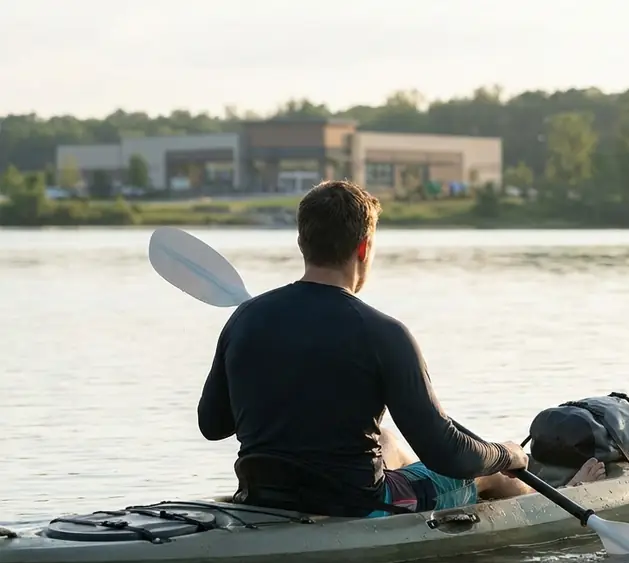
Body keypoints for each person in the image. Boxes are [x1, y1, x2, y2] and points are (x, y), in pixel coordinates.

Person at [196, 179, 605, 516]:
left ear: (302, 244)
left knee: (387, 441)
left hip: (263, 496)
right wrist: (506, 454)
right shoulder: (383, 333)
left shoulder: (246, 318)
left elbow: (212, 425)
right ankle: (554, 505)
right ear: (363, 248)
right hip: (355, 504)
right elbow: (449, 455)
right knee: (482, 474)